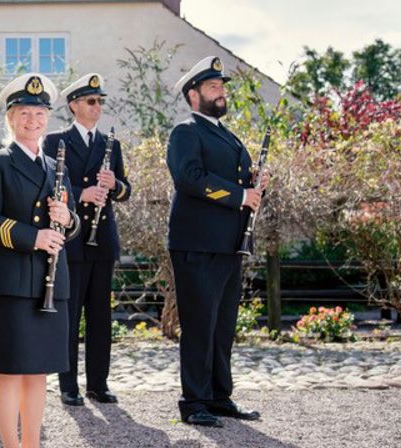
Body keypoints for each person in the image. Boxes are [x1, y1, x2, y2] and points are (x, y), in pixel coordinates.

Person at [0, 73, 80, 448]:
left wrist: (67, 219)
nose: (33, 120)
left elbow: (72, 221)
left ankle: (31, 445)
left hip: (52, 281)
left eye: (39, 113)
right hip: (12, 279)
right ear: (10, 119)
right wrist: (33, 237)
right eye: (24, 113)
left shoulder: (56, 166)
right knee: (12, 371)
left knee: (38, 372)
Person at [167, 56, 269, 428]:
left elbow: (232, 182)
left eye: (222, 87)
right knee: (198, 326)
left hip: (227, 243)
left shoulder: (226, 134)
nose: (221, 92)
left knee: (222, 326)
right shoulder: (186, 131)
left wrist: (254, 185)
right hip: (197, 243)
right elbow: (190, 177)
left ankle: (219, 396)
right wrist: (239, 195)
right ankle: (193, 402)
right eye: (213, 87)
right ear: (194, 95)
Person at [43, 73, 131, 406]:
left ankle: (98, 383)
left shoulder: (112, 144)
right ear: (74, 105)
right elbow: (50, 184)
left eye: (99, 102)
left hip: (102, 239)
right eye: (91, 101)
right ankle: (69, 385)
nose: (97, 107)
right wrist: (83, 193)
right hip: (73, 237)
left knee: (100, 317)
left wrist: (114, 185)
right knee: (70, 313)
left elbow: (125, 190)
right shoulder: (56, 141)